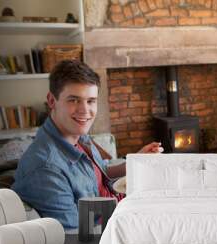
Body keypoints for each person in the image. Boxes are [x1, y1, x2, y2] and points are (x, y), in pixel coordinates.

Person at [12, 60, 161, 230]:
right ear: (52, 101)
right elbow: (75, 240)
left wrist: (135, 161)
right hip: (112, 226)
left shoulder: (77, 135)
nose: (85, 111)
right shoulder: (46, 169)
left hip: (119, 205)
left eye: (91, 101)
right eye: (74, 100)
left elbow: (97, 170)